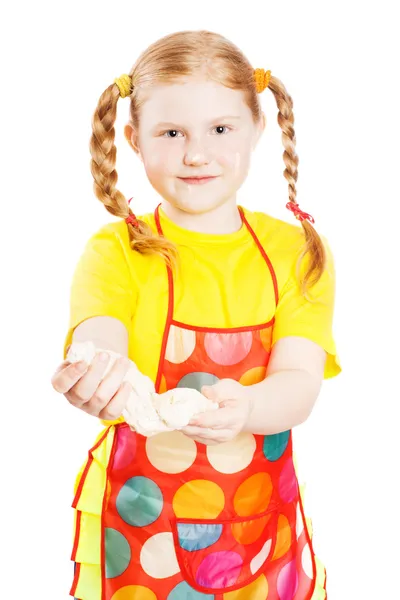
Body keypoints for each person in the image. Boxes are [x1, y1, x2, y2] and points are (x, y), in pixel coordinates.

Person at [51, 29, 341, 600]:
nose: (196, 153)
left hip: (261, 525)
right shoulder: (116, 253)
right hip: (142, 528)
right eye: (171, 132)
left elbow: (301, 383)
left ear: (258, 127)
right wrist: (98, 375)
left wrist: (251, 406)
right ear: (133, 139)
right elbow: (99, 336)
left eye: (220, 128)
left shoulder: (297, 253)